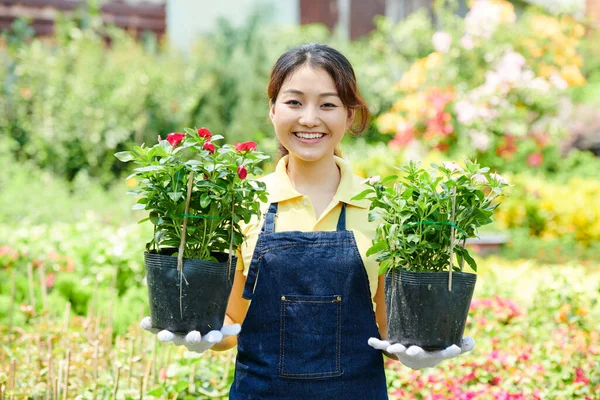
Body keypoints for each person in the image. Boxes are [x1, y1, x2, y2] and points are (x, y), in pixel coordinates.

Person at [141, 43, 475, 399]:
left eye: (328, 104)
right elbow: (231, 322)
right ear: (272, 110)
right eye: (294, 102)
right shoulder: (244, 202)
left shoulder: (383, 209)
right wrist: (201, 335)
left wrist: (416, 352)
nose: (309, 118)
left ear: (349, 115)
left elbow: (388, 327)